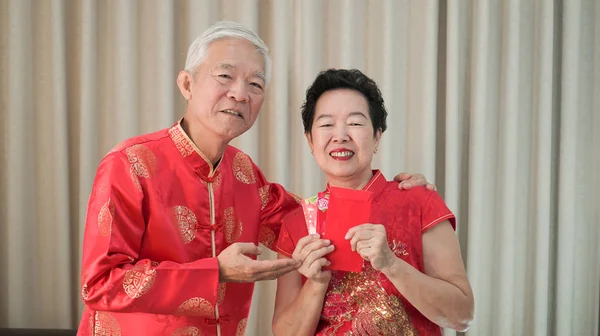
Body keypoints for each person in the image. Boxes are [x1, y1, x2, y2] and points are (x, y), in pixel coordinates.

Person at [77, 22, 435, 336]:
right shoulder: (131, 163)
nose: (240, 93)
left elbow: (311, 221)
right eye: (225, 76)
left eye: (255, 84)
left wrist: (399, 199)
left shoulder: (244, 173)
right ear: (187, 83)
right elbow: (99, 284)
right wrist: (216, 271)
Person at [272, 69, 474, 335]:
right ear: (310, 140)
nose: (340, 135)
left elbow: (461, 315)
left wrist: (391, 264)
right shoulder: (296, 224)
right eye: (325, 124)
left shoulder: (418, 201)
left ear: (377, 136)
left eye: (355, 123)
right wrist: (316, 283)